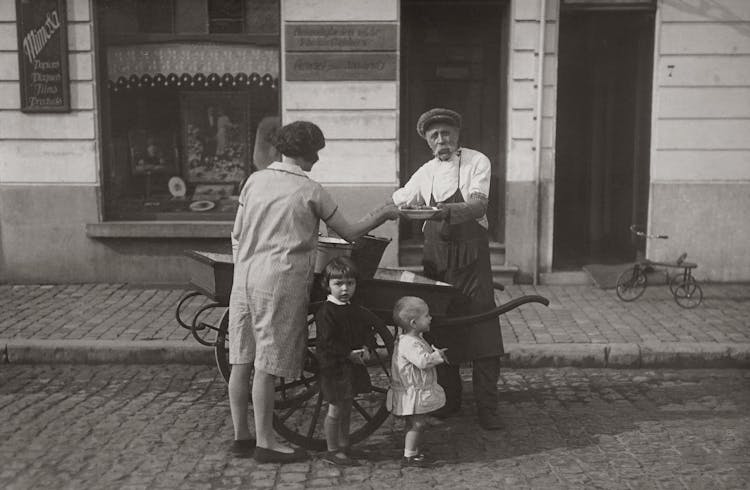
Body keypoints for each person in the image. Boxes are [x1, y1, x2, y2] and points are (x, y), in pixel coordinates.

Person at [228, 120, 399, 463]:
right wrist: (383, 213)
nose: (317, 160)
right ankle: (266, 444)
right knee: (266, 364)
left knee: (241, 359)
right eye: (315, 154)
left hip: (244, 277)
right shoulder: (311, 190)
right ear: (306, 154)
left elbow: (236, 234)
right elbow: (350, 233)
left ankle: (242, 437)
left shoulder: (255, 180)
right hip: (280, 281)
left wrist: (247, 263)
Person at [391, 108, 504, 430]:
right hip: (437, 265)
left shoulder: (476, 162)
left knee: (483, 333)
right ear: (428, 142)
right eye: (435, 135)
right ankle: (450, 401)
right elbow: (401, 198)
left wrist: (440, 211)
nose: (442, 140)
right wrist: (387, 211)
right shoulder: (425, 171)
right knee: (440, 330)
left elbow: (479, 205)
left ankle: (487, 408)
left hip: (472, 266)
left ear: (457, 135)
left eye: (447, 133)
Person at [315, 257, 382, 466]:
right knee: (335, 408)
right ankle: (332, 450)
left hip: (351, 366)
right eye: (338, 284)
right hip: (334, 368)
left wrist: (368, 346)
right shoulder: (326, 312)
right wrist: (348, 353)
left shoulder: (354, 308)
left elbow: (366, 329)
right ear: (328, 285)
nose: (345, 289)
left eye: (350, 284)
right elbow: (327, 343)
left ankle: (344, 445)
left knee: (346, 407)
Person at [386, 296, 448, 468]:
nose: (430, 318)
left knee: (414, 422)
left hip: (413, 389)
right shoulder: (410, 343)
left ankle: (413, 451)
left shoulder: (413, 339)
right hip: (412, 391)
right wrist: (436, 356)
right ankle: (409, 456)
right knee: (418, 423)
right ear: (414, 323)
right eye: (426, 315)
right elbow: (422, 362)